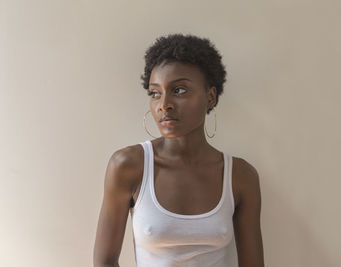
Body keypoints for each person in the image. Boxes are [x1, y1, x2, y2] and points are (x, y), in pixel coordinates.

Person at [94, 33, 264, 267]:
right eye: (155, 93)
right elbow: (104, 262)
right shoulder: (129, 166)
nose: (164, 104)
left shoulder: (240, 176)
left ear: (211, 97)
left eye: (180, 90)